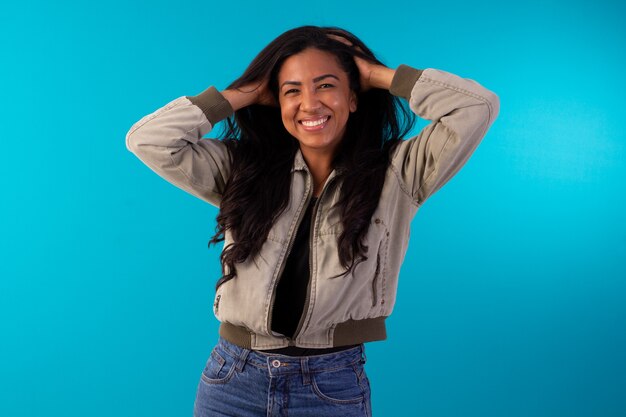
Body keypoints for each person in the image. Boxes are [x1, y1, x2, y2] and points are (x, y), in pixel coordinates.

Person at [126, 25, 499, 417]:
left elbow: (477, 107)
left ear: (353, 97)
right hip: (232, 379)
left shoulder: (398, 173)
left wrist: (377, 75)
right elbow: (147, 140)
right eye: (292, 90)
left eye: (325, 86)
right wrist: (246, 93)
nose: (309, 103)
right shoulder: (242, 169)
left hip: (329, 384)